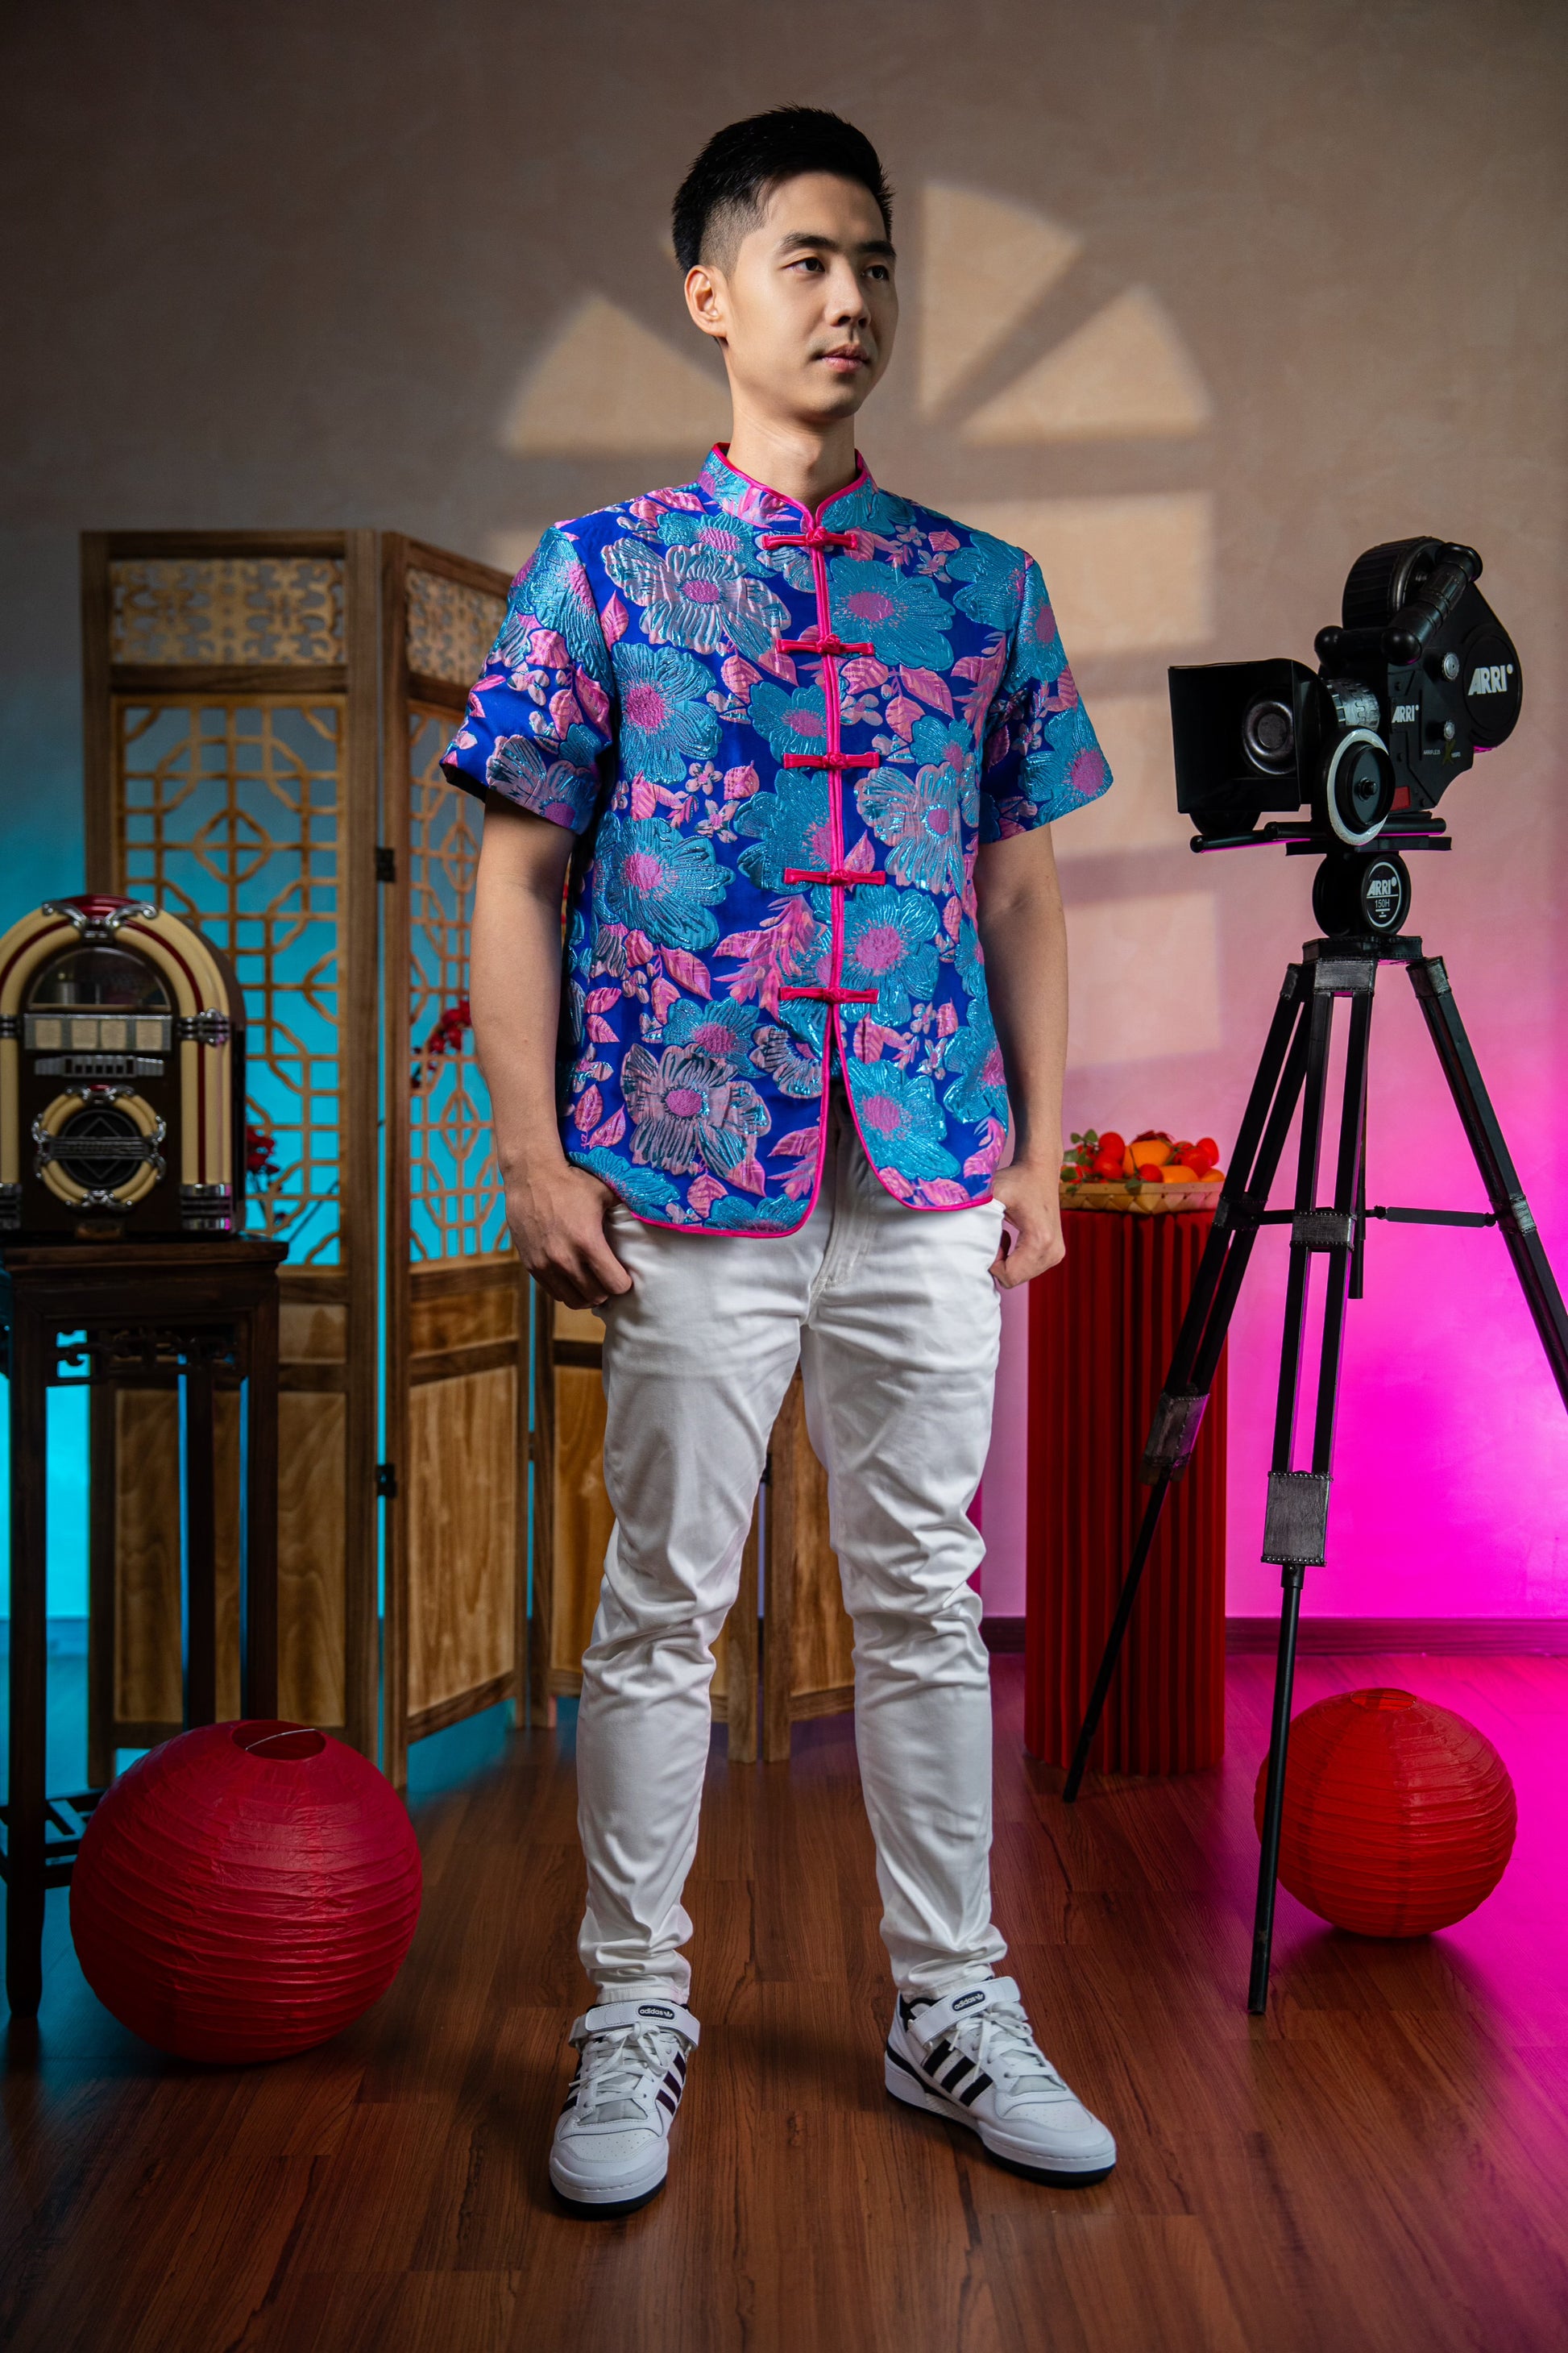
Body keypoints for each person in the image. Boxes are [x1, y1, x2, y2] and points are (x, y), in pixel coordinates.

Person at [451, 106, 1118, 2217]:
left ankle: (952, 2007)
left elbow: (1018, 888)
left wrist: (1039, 1155)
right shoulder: (601, 574)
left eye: (875, 262)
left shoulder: (980, 589)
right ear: (712, 295)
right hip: (679, 1171)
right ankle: (631, 2009)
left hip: (924, 1164)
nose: (852, 298)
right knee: (664, 1602)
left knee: (922, 1597)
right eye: (808, 260)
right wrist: (531, 1149)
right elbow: (516, 870)